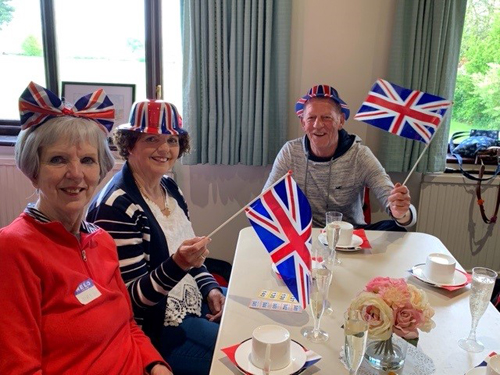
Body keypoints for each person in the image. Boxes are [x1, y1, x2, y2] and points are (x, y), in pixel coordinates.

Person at [0, 82, 171, 374]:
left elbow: (127, 325)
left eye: (88, 160)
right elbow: (20, 367)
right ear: (33, 170)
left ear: (101, 169)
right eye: (58, 159)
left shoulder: (101, 240)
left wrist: (156, 364)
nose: (76, 173)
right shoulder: (14, 248)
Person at [86, 99, 225, 375]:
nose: (165, 149)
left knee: (248, 320)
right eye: (152, 139)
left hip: (191, 301)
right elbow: (131, 299)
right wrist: (179, 264)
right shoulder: (117, 206)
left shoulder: (169, 187)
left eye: (172, 140)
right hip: (154, 330)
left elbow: (191, 251)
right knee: (237, 356)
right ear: (130, 145)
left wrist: (210, 287)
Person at [263, 84, 417, 230]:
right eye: (311, 118)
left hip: (349, 237)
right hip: (305, 237)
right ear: (303, 123)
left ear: (341, 121)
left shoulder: (360, 155)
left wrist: (401, 212)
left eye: (326, 118)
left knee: (394, 228)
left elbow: (393, 201)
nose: (317, 125)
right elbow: (266, 200)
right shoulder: (290, 152)